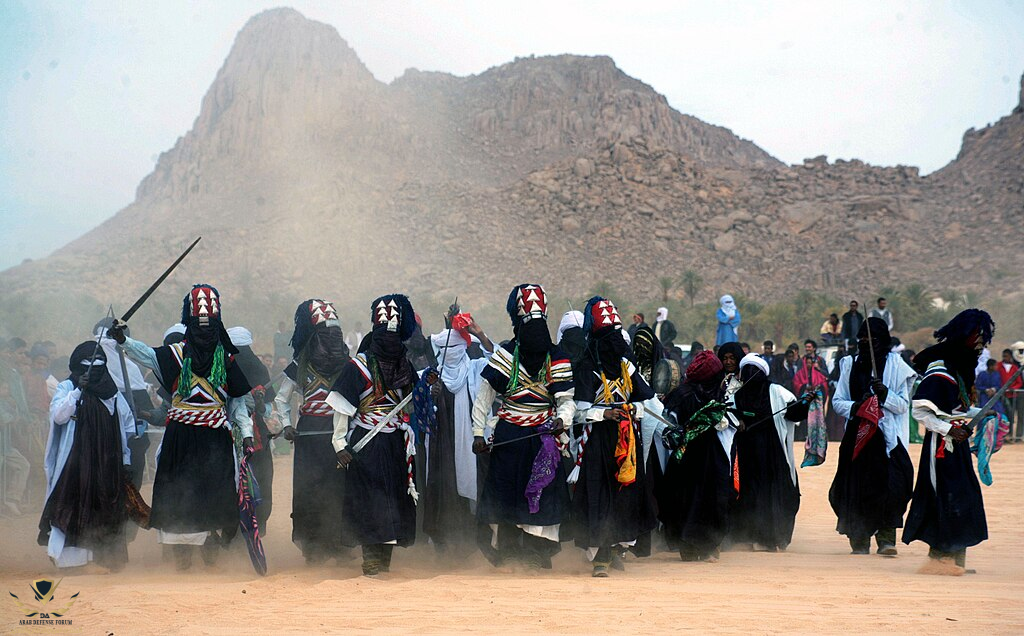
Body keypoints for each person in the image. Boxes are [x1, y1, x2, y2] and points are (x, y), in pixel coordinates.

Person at [113, 284, 254, 571]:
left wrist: (248, 434)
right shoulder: (173, 354)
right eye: (199, 325)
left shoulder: (225, 359)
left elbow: (238, 403)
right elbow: (145, 354)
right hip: (181, 436)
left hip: (215, 437)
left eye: (210, 325)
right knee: (177, 493)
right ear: (190, 324)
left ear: (217, 325)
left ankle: (211, 550)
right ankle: (181, 558)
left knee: (214, 493)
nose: (205, 331)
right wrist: (124, 340)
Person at [471, 284, 575, 570]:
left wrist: (562, 420)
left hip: (544, 438)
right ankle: (508, 553)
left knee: (543, 495)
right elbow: (484, 398)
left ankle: (537, 553)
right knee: (506, 494)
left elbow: (566, 400)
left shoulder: (557, 356)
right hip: (509, 435)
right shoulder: (506, 354)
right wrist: (478, 433)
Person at [328, 294, 423, 576]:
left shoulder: (405, 366)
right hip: (366, 442)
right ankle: (370, 559)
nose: (390, 341)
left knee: (393, 499)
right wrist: (339, 444)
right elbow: (341, 408)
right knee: (369, 500)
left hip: (395, 443)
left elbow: (412, 404)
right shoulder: (357, 367)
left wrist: (427, 388)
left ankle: (384, 561)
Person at [567, 297, 656, 576]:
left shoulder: (627, 367)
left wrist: (632, 410)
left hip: (626, 439)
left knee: (625, 494)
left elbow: (644, 400)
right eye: (609, 336)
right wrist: (604, 414)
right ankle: (600, 556)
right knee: (600, 494)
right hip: (598, 441)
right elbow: (579, 412)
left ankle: (617, 548)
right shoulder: (586, 368)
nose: (615, 341)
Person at [903, 309, 994, 573]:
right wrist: (948, 430)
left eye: (984, 339)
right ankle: (940, 557)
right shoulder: (940, 370)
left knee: (964, 496)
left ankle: (957, 559)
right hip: (940, 448)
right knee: (944, 495)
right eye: (977, 337)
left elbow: (956, 410)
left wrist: (981, 413)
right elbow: (920, 410)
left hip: (959, 445)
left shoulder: (961, 371)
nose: (980, 344)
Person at [38, 341, 135, 571]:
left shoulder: (111, 391)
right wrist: (77, 391)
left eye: (99, 361)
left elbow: (126, 426)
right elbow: (59, 416)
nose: (94, 365)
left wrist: (125, 459)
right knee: (72, 505)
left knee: (105, 507)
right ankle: (71, 561)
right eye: (88, 362)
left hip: (106, 460)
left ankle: (107, 559)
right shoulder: (67, 386)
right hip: (75, 461)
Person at [829, 318, 917, 555]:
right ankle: (859, 539)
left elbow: (902, 405)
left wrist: (885, 394)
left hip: (888, 438)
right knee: (856, 488)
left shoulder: (897, 366)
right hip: (857, 438)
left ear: (883, 341)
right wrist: (857, 406)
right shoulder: (849, 364)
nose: (866, 344)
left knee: (891, 487)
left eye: (872, 340)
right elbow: (838, 401)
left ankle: (886, 539)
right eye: (862, 340)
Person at [275, 299, 351, 564]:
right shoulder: (300, 365)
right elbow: (281, 399)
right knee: (309, 489)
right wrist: (287, 425)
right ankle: (312, 548)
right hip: (308, 435)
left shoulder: (348, 364)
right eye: (324, 335)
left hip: (339, 434)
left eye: (334, 335)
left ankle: (340, 544)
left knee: (339, 489)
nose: (330, 340)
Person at [424, 318, 494, 557]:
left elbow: (498, 361)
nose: (450, 353)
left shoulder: (475, 368)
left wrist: (481, 334)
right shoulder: (431, 375)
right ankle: (445, 547)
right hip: (442, 448)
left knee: (474, 489)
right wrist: (429, 393)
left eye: (454, 347)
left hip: (473, 445)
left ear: (464, 347)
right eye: (445, 348)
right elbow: (415, 400)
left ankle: (476, 546)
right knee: (444, 492)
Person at [728, 352, 811, 552]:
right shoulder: (735, 395)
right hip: (745, 454)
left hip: (772, 453)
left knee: (775, 493)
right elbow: (728, 414)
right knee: (748, 494)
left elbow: (794, 414)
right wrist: (738, 421)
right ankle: (746, 536)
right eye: (747, 371)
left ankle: (772, 537)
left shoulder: (777, 392)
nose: (750, 375)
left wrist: (805, 403)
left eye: (754, 371)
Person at [658, 350, 732, 562]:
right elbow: (669, 424)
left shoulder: (689, 393)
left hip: (695, 456)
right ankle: (696, 546)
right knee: (697, 498)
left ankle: (698, 546)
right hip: (695, 456)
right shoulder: (687, 395)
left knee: (694, 498)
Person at [228, 326, 276, 533]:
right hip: (229, 431)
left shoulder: (258, 370)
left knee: (261, 478)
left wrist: (259, 404)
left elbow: (267, 408)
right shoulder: (223, 368)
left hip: (255, 436)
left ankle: (257, 522)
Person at [795, 339, 830, 467]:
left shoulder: (820, 360)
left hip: (817, 397)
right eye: (806, 347)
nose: (807, 349)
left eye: (809, 347)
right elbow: (798, 377)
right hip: (805, 395)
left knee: (817, 420)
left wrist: (818, 369)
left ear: (814, 348)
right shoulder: (801, 361)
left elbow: (826, 376)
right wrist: (805, 387)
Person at [996, 348, 1022, 438]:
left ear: (1010, 356)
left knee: (1011, 415)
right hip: (1001, 395)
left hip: (1012, 396)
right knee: (1001, 415)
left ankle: (1009, 434)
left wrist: (1013, 388)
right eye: (1003, 356)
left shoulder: (1014, 368)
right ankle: (1001, 435)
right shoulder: (998, 366)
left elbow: (1019, 382)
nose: (1004, 358)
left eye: (1006, 356)